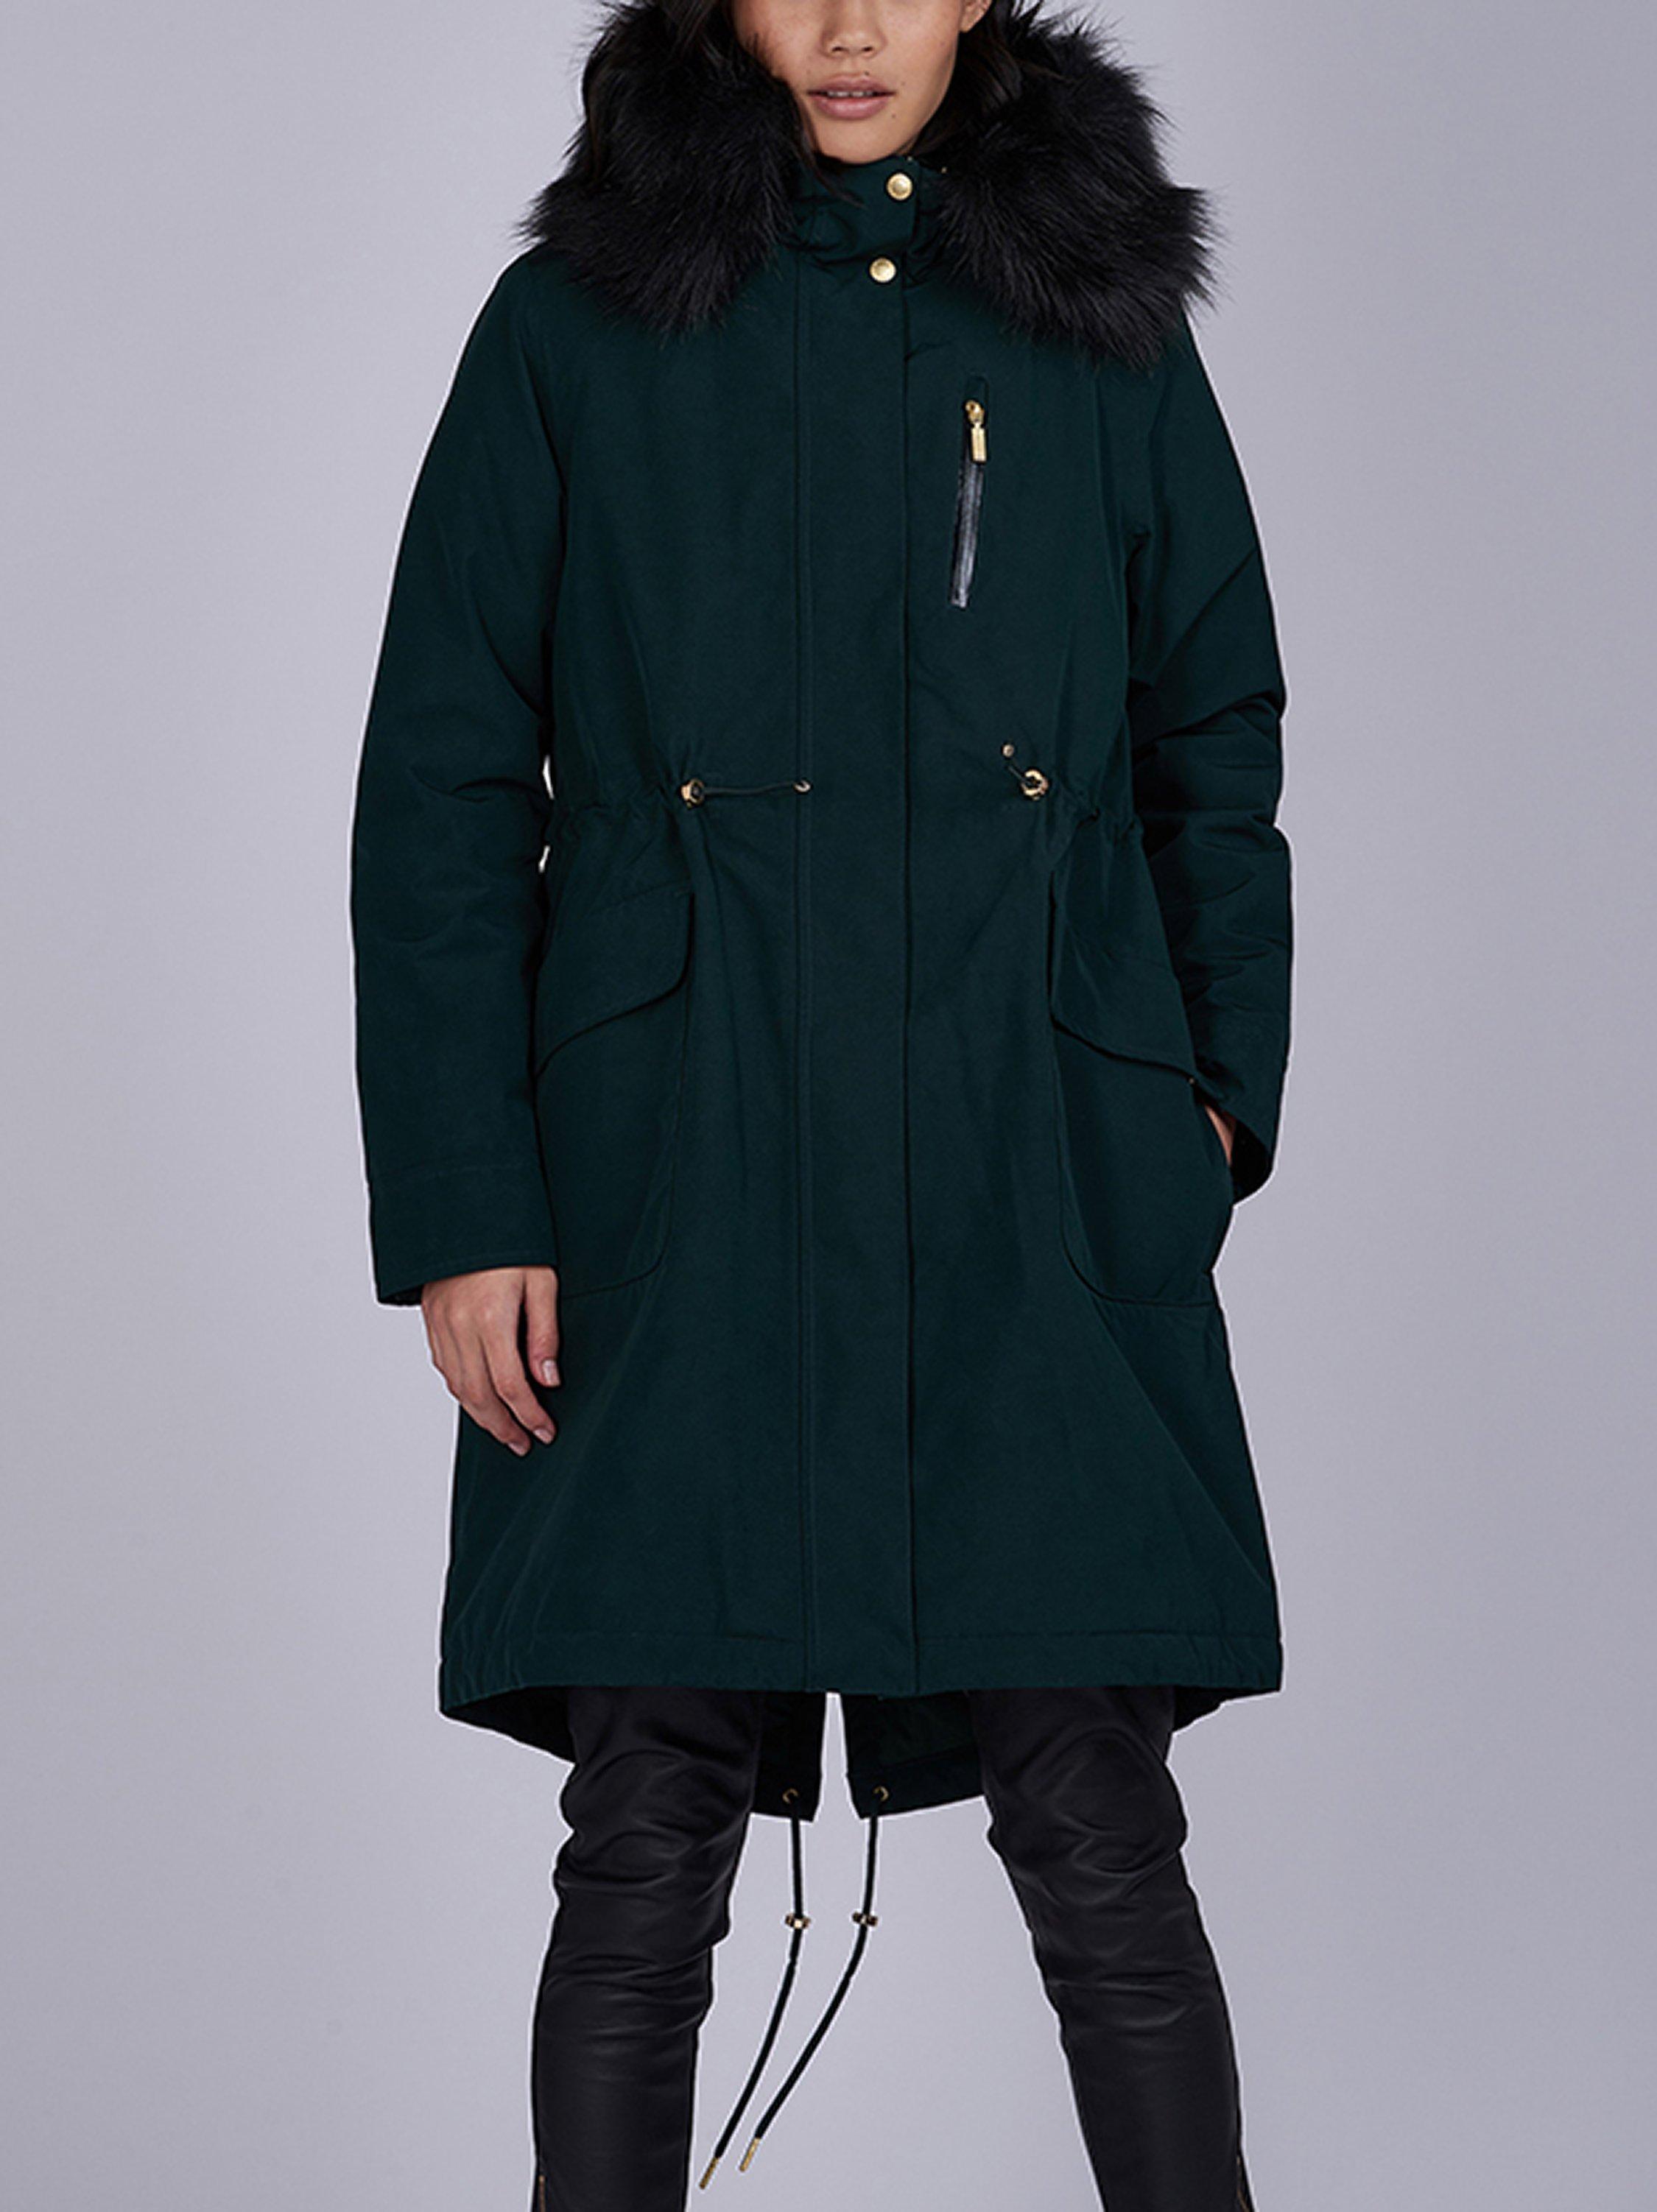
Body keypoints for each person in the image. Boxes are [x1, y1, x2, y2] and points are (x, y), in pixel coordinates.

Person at [348, 0, 1292, 2204]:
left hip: (1034, 1173)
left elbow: (1213, 732)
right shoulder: (574, 327)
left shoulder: (1098, 318)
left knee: (1100, 1820)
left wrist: (1206, 1107)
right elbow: (444, 782)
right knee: (642, 1830)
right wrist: (470, 1203)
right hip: (675, 1179)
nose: (849, 27)